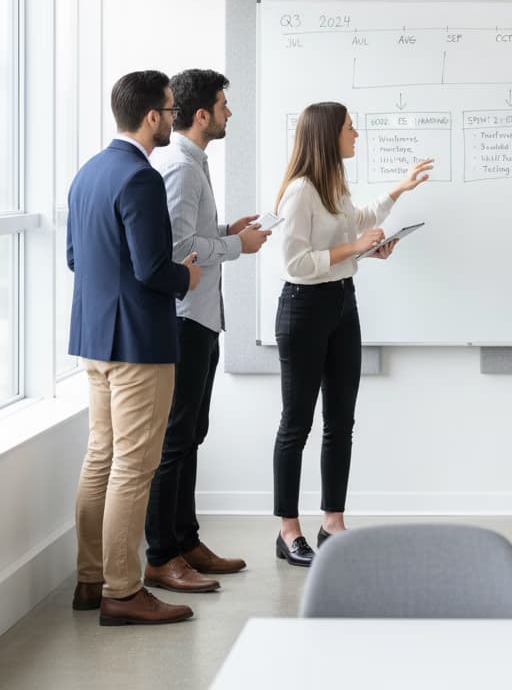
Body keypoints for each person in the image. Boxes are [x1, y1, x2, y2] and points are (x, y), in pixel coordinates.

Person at [272, 102, 433, 565]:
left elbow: (356, 223)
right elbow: (295, 264)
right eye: (349, 127)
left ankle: (332, 523)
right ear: (327, 135)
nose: (356, 134)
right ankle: (288, 531)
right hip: (304, 310)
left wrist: (392, 203)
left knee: (341, 422)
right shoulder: (300, 192)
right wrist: (353, 249)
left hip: (343, 303)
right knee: (296, 424)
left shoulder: (333, 185)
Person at [68, 71, 202, 626]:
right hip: (138, 345)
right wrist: (185, 279)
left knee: (100, 458)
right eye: (171, 112)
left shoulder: (88, 173)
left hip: (93, 340)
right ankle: (123, 592)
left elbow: (78, 259)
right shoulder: (140, 177)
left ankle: (90, 580)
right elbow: (152, 269)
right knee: (133, 467)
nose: (173, 119)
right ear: (152, 117)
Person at [143, 70, 271, 594]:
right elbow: (176, 252)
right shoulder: (180, 167)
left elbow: (193, 235)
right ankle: (161, 556)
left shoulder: (195, 164)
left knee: (192, 434)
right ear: (202, 116)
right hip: (185, 320)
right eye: (223, 105)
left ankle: (186, 540)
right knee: (175, 439)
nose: (229, 113)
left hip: (203, 318)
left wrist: (226, 232)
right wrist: (239, 248)